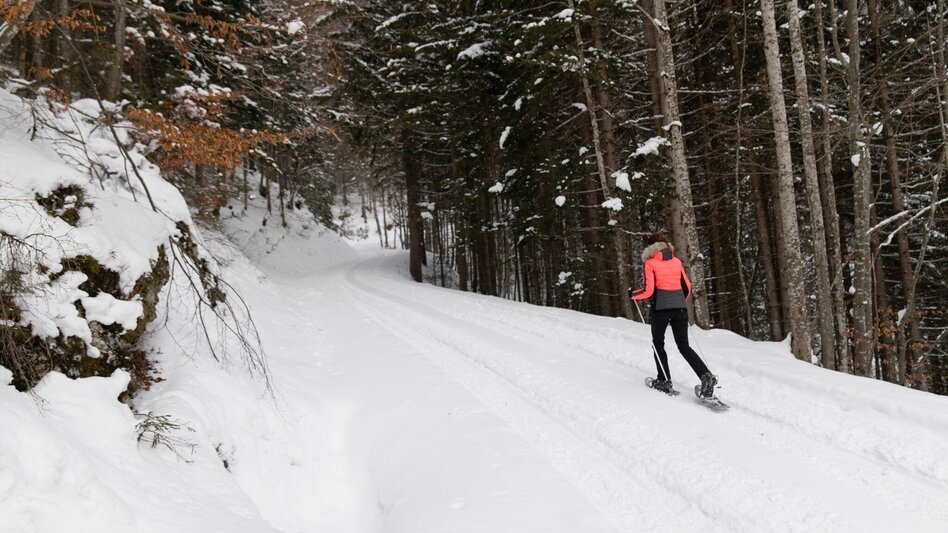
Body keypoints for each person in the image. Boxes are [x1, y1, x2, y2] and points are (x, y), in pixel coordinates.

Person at [629, 233, 718, 398]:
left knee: (658, 344)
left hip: (660, 310)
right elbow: (688, 287)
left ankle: (664, 380)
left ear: (650, 248)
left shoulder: (650, 263)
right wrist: (678, 302)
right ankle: (706, 376)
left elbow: (647, 291)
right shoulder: (676, 262)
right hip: (680, 308)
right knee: (684, 346)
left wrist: (632, 294)